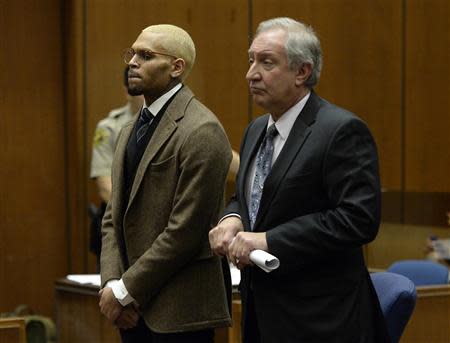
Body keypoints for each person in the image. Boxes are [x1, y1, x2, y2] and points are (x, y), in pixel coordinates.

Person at [209, 17, 390, 342]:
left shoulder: (340, 131)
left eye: (267, 62)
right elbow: (249, 199)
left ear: (302, 72)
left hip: (321, 320)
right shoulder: (255, 130)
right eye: (251, 60)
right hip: (260, 312)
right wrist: (232, 217)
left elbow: (358, 219)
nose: (251, 74)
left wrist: (269, 240)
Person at [99, 24, 232, 343]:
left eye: (145, 56)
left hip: (180, 313)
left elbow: (185, 230)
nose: (132, 62)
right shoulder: (130, 129)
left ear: (176, 67)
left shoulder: (202, 130)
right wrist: (112, 285)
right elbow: (112, 217)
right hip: (131, 313)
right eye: (132, 54)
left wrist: (125, 289)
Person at [89, 67, 144, 265]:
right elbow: (105, 188)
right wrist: (139, 218)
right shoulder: (110, 127)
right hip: (119, 225)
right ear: (126, 91)